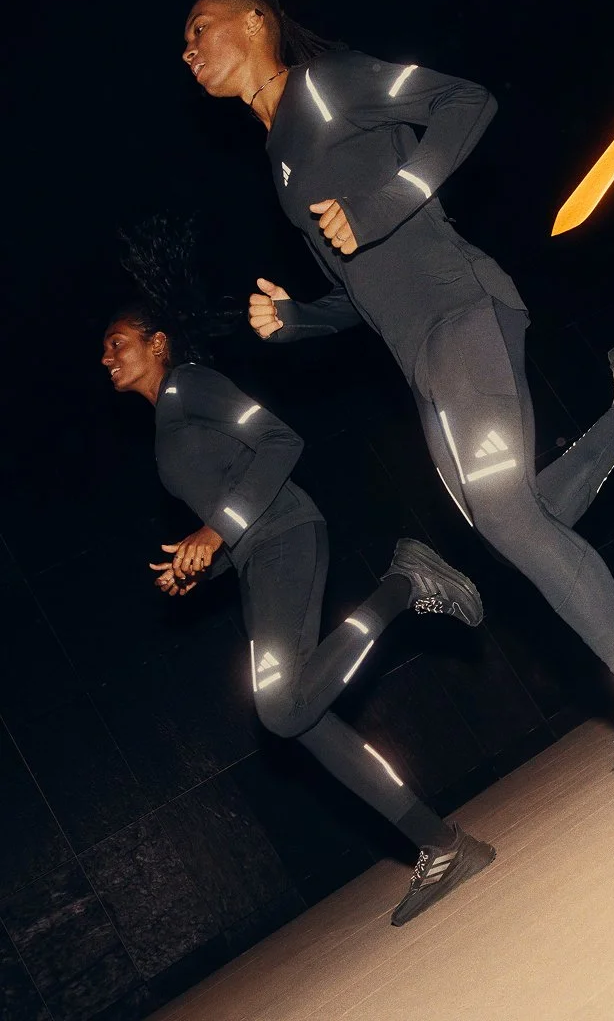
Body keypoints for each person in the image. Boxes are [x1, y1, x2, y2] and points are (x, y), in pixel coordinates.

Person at [180, 0, 614, 810]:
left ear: (256, 20)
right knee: (514, 517)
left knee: (507, 516)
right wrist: (295, 320)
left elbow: (465, 102)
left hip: (465, 310)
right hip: (420, 351)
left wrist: (390, 198)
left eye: (199, 28)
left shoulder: (326, 86)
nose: (189, 50)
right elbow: (361, 290)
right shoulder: (281, 157)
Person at [103, 220, 495, 925]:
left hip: (287, 534)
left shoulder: (190, 385)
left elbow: (281, 440)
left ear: (156, 343)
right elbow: (226, 510)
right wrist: (203, 564)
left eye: (117, 344)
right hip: (258, 558)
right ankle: (441, 844)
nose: (107, 359)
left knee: (280, 708)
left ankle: (406, 582)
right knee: (304, 722)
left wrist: (213, 528)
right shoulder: (165, 425)